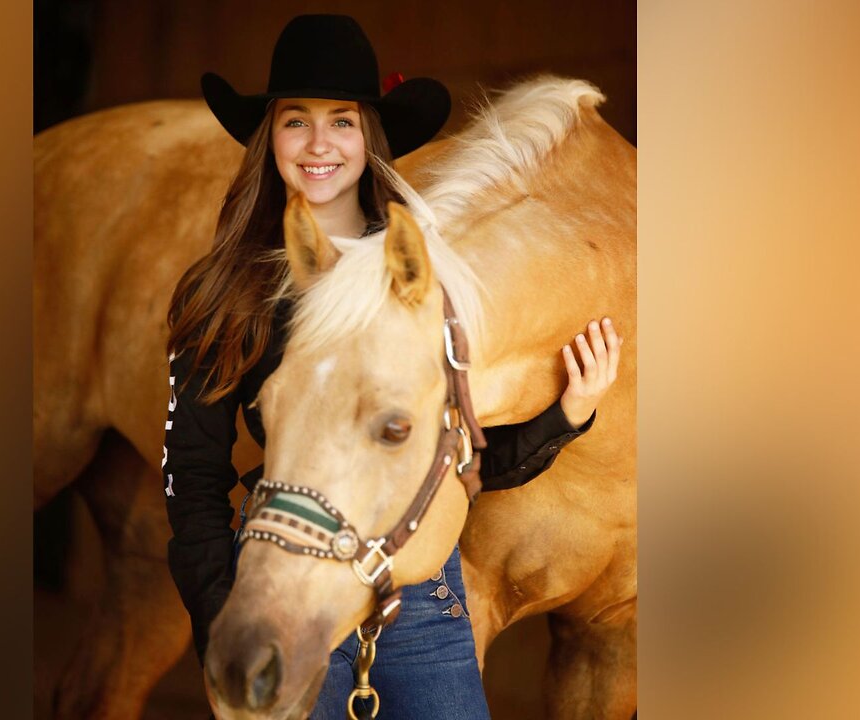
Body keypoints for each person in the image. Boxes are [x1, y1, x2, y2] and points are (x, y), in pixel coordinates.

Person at [162, 14, 623, 719]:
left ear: (369, 138)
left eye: (341, 121)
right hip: (290, 581)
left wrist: (567, 416)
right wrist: (230, 613)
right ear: (270, 138)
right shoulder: (221, 292)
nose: (319, 144)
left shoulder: (428, 276)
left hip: (422, 605)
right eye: (296, 121)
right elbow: (191, 482)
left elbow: (460, 466)